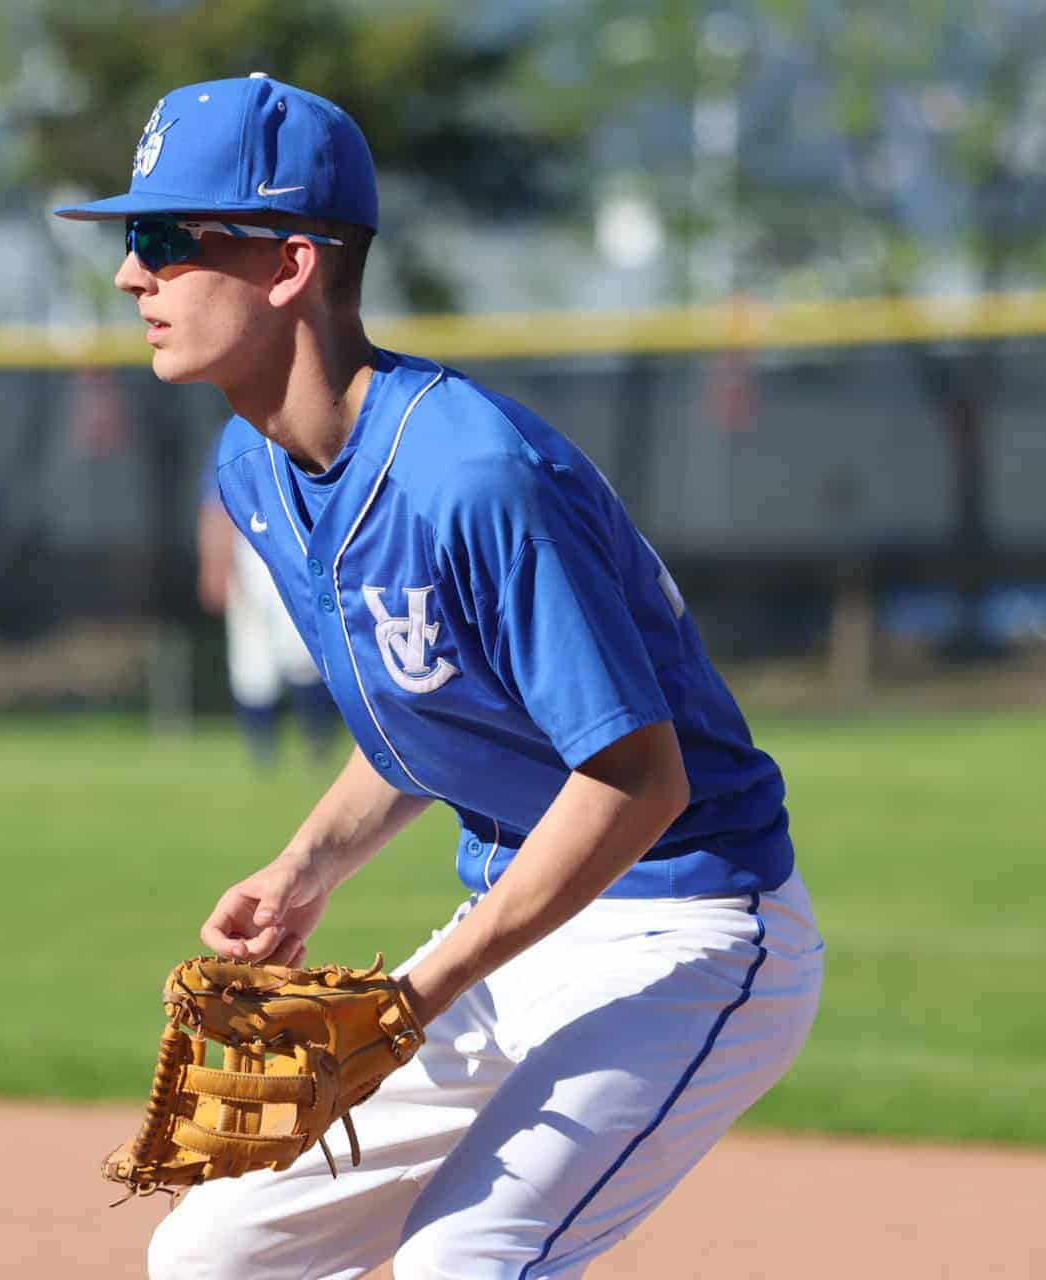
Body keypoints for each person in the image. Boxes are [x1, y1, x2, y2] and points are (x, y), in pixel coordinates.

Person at [55, 74, 824, 1279]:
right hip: (525, 918)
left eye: (165, 238)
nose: (129, 275)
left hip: (695, 923)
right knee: (213, 1252)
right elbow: (436, 707)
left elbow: (639, 778)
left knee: (466, 1262)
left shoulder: (469, 473)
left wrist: (418, 993)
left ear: (291, 264)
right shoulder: (256, 465)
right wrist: (307, 866)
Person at [197, 483, 339, 767]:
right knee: (252, 661)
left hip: (292, 542)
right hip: (248, 548)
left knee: (301, 653)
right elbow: (216, 506)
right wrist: (214, 564)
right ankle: (262, 749)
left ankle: (318, 739)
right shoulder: (235, 442)